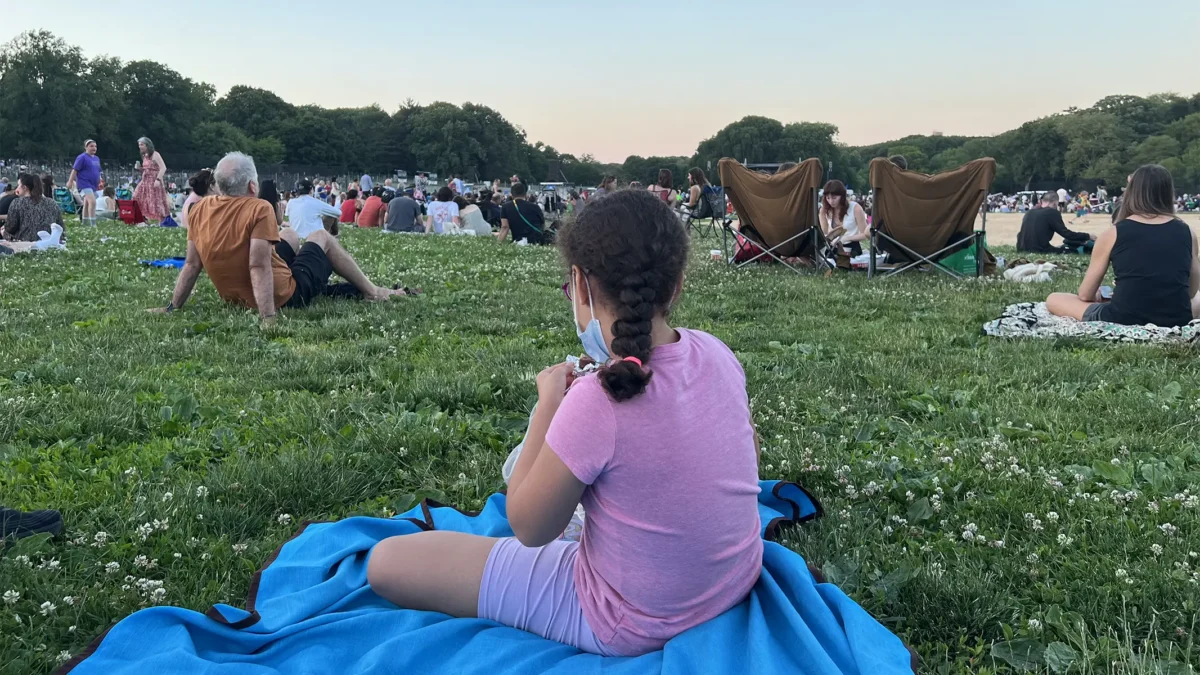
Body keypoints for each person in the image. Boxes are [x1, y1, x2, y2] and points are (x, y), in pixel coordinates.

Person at [367, 189, 761, 658]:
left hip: (626, 621)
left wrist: (549, 406)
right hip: (731, 586)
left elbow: (530, 528)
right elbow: (744, 452)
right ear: (675, 286)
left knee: (387, 562)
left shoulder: (597, 399)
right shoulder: (718, 353)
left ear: (580, 283)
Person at [150, 152, 409, 328]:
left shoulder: (199, 209)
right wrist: (268, 317)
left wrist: (172, 307)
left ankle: (309, 272)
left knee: (289, 235)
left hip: (235, 297)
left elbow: (192, 265)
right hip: (283, 295)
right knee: (321, 237)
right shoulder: (258, 208)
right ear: (252, 186)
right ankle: (372, 291)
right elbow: (258, 265)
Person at [1047, 165, 1198, 327]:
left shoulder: (1113, 233)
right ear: (1169, 193)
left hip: (1123, 317)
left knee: (1054, 299)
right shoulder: (1188, 232)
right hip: (1175, 318)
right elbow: (1192, 291)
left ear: (1132, 192)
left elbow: (1085, 295)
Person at [1016, 192, 1094, 253]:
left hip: (1021, 248)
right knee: (1073, 250)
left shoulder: (1030, 212)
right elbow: (1066, 234)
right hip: (1039, 249)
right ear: (1054, 203)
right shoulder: (1052, 212)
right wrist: (1087, 236)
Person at [3, 173, 63, 242]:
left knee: (5, 232)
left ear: (25, 188)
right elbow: (60, 225)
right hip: (49, 241)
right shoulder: (52, 202)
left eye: (18, 185)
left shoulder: (17, 202)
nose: (17, 188)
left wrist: (4, 231)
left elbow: (11, 228)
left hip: (24, 241)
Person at [819, 180, 870, 257]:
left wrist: (847, 238)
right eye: (828, 198)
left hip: (851, 247)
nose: (831, 201)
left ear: (842, 196)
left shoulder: (855, 208)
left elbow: (865, 235)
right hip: (833, 247)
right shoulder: (825, 209)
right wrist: (822, 215)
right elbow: (824, 232)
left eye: (834, 198)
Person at [132, 137, 172, 224]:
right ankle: (142, 217)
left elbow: (163, 168)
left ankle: (159, 219)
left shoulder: (155, 154)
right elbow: (148, 168)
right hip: (145, 180)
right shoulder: (145, 156)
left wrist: (158, 179)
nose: (140, 147)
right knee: (136, 196)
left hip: (154, 180)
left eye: (142, 145)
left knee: (155, 200)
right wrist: (140, 168)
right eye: (139, 145)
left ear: (147, 145)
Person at [67, 139, 102, 226]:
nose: (94, 148)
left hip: (93, 184)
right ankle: (93, 224)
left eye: (95, 146)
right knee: (92, 202)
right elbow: (75, 170)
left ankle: (85, 223)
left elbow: (98, 171)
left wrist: (100, 181)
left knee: (86, 203)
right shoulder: (82, 157)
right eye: (91, 146)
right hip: (84, 183)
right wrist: (70, 181)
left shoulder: (96, 158)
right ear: (86, 147)